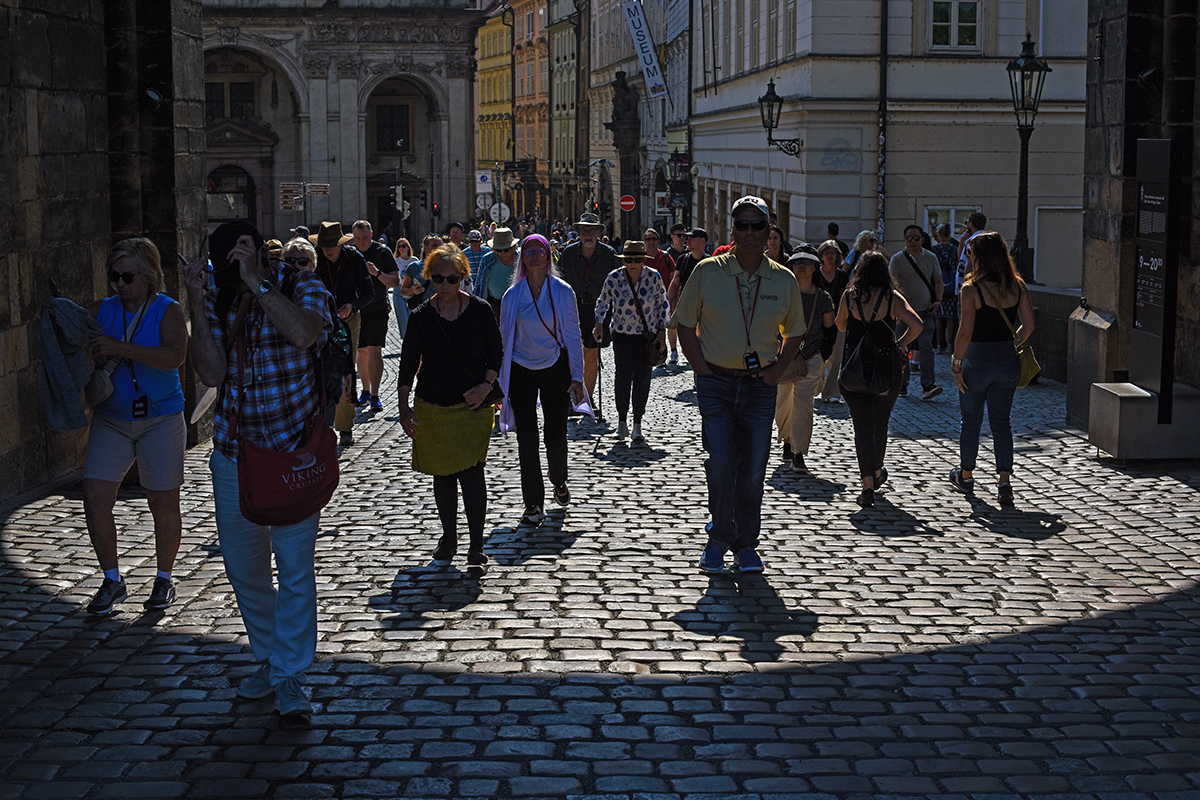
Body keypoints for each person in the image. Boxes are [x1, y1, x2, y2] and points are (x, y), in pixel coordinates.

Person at [184, 222, 333, 718]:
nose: (235, 261)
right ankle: (271, 657)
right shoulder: (219, 297)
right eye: (227, 256)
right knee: (244, 569)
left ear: (263, 250)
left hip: (294, 450)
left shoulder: (299, 282)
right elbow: (210, 373)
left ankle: (290, 673)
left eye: (244, 250)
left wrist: (258, 283)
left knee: (294, 569)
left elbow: (305, 333)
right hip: (235, 453)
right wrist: (194, 299)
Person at [673, 196, 805, 573]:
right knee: (721, 464)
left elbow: (795, 331)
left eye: (757, 225)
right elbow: (684, 321)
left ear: (769, 232)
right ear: (731, 231)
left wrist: (778, 370)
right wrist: (701, 368)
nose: (750, 232)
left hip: (761, 386)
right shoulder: (708, 272)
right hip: (716, 382)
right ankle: (719, 538)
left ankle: (747, 545)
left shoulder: (783, 278)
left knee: (752, 470)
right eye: (742, 225)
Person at [81, 238, 189, 615]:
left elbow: (175, 356)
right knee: (95, 497)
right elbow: (70, 333)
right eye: (114, 276)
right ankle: (112, 580)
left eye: (128, 276)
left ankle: (164, 577)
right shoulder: (101, 310)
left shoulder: (167, 310)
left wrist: (119, 348)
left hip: (160, 418)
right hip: (112, 418)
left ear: (148, 275)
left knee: (162, 499)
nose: (120, 284)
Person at [397, 244, 503, 567]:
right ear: (429, 278)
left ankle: (475, 545)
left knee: (472, 475)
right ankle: (449, 537)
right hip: (433, 407)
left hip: (472, 408)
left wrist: (486, 387)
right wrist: (403, 409)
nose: (445, 286)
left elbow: (496, 353)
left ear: (462, 278)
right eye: (439, 279)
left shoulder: (481, 311)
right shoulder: (419, 318)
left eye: (452, 279)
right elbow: (406, 366)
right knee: (442, 476)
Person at [497, 234, 587, 526]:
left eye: (540, 251)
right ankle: (533, 503)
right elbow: (504, 338)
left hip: (554, 367)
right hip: (521, 368)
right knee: (527, 438)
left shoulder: (562, 292)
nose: (534, 255)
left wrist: (577, 376)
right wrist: (500, 381)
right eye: (528, 251)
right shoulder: (512, 296)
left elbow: (573, 335)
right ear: (522, 258)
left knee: (555, 432)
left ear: (549, 256)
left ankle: (559, 480)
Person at [949, 231, 1036, 507]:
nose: (969, 259)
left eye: (972, 254)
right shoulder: (1017, 285)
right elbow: (1030, 325)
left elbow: (965, 332)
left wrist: (956, 364)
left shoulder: (971, 289)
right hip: (1007, 362)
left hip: (976, 362)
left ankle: (966, 475)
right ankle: (1004, 480)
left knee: (971, 421)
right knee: (1001, 422)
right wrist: (1012, 343)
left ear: (980, 257)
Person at [835, 251, 923, 508]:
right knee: (880, 423)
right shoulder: (891, 297)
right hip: (886, 370)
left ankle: (867, 487)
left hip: (854, 370)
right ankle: (876, 472)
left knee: (862, 427)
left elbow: (841, 326)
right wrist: (899, 344)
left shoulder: (850, 295)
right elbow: (916, 325)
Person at [592, 240, 669, 442]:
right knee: (623, 377)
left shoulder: (653, 277)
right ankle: (622, 421)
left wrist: (662, 332)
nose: (632, 263)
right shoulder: (614, 277)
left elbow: (663, 304)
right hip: (622, 335)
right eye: (628, 259)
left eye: (637, 259)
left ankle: (637, 423)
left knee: (643, 379)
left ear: (644, 260)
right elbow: (603, 302)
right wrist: (598, 324)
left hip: (646, 337)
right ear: (623, 260)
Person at [310, 221, 373, 446]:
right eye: (325, 245)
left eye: (332, 245)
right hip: (318, 319)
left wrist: (352, 306)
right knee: (316, 368)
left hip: (348, 321)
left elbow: (368, 293)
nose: (328, 250)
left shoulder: (355, 259)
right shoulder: (314, 259)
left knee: (346, 369)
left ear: (340, 244)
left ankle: (345, 426)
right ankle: (317, 426)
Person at [774, 245, 835, 474]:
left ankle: (799, 453)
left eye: (807, 262)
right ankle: (787, 440)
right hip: (781, 358)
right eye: (797, 261)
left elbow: (830, 329)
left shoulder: (823, 297)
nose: (801, 265)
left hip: (810, 357)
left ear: (815, 267)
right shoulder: (781, 293)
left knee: (803, 405)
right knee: (782, 404)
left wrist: (822, 354)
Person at [556, 211, 620, 413]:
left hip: (598, 310)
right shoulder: (568, 254)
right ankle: (570, 397)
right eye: (584, 230)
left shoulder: (609, 255)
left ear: (599, 232)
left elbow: (617, 285)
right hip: (571, 308)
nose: (588, 234)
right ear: (579, 232)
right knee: (569, 354)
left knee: (591, 354)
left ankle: (586, 400)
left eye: (592, 230)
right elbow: (558, 282)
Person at [889, 224, 944, 401]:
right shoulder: (897, 259)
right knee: (900, 347)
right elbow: (892, 285)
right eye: (909, 238)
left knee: (927, 347)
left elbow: (938, 282)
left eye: (917, 238)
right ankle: (901, 384)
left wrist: (938, 301)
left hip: (925, 310)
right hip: (903, 313)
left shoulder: (931, 257)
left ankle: (928, 385)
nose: (913, 241)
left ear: (922, 239)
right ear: (904, 240)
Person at [352, 220, 399, 411]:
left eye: (364, 238)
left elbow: (396, 282)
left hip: (377, 307)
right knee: (361, 352)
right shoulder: (351, 254)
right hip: (357, 309)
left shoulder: (383, 252)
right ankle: (364, 389)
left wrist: (377, 273)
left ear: (371, 235)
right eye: (357, 238)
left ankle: (375, 394)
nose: (361, 242)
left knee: (374, 350)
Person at [814, 239, 851, 404]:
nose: (830, 256)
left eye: (833, 253)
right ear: (821, 256)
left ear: (838, 256)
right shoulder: (815, 274)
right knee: (820, 357)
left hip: (839, 320)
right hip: (818, 321)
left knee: (837, 357)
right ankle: (818, 387)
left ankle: (832, 392)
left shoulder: (843, 275)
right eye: (827, 253)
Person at [666, 227, 709, 364]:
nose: (687, 241)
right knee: (686, 342)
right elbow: (675, 283)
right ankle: (696, 365)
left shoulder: (710, 262)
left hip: (705, 309)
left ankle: (701, 370)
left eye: (691, 238)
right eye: (687, 238)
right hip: (686, 307)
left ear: (702, 241)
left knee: (703, 342)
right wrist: (668, 303)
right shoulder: (683, 259)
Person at [474, 227, 519, 318]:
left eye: (506, 250)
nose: (502, 253)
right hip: (492, 304)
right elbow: (478, 284)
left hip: (516, 306)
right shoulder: (487, 259)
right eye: (499, 250)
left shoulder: (521, 260)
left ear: (513, 248)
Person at [932, 223, 960, 353]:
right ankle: (950, 345)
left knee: (938, 317)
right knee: (951, 317)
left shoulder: (934, 250)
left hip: (938, 286)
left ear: (938, 234)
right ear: (949, 235)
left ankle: (939, 345)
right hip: (952, 286)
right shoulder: (954, 249)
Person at [391, 237, 420, 338]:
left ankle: (414, 339)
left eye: (403, 246)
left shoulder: (414, 260)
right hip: (398, 291)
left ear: (408, 247)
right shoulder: (395, 260)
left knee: (412, 317)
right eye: (399, 246)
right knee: (402, 318)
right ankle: (406, 340)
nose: (401, 248)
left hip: (411, 290)